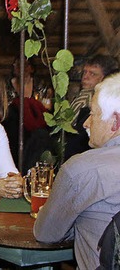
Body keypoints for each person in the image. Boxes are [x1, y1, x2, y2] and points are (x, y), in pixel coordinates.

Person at [34, 73, 120, 269]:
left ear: (115, 122)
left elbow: (46, 234)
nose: (85, 123)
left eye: (92, 113)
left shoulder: (82, 169)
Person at [64, 54, 118, 160]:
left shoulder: (88, 97)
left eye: (92, 74)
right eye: (85, 72)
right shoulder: (82, 94)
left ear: (105, 78)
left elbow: (67, 127)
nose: (85, 77)